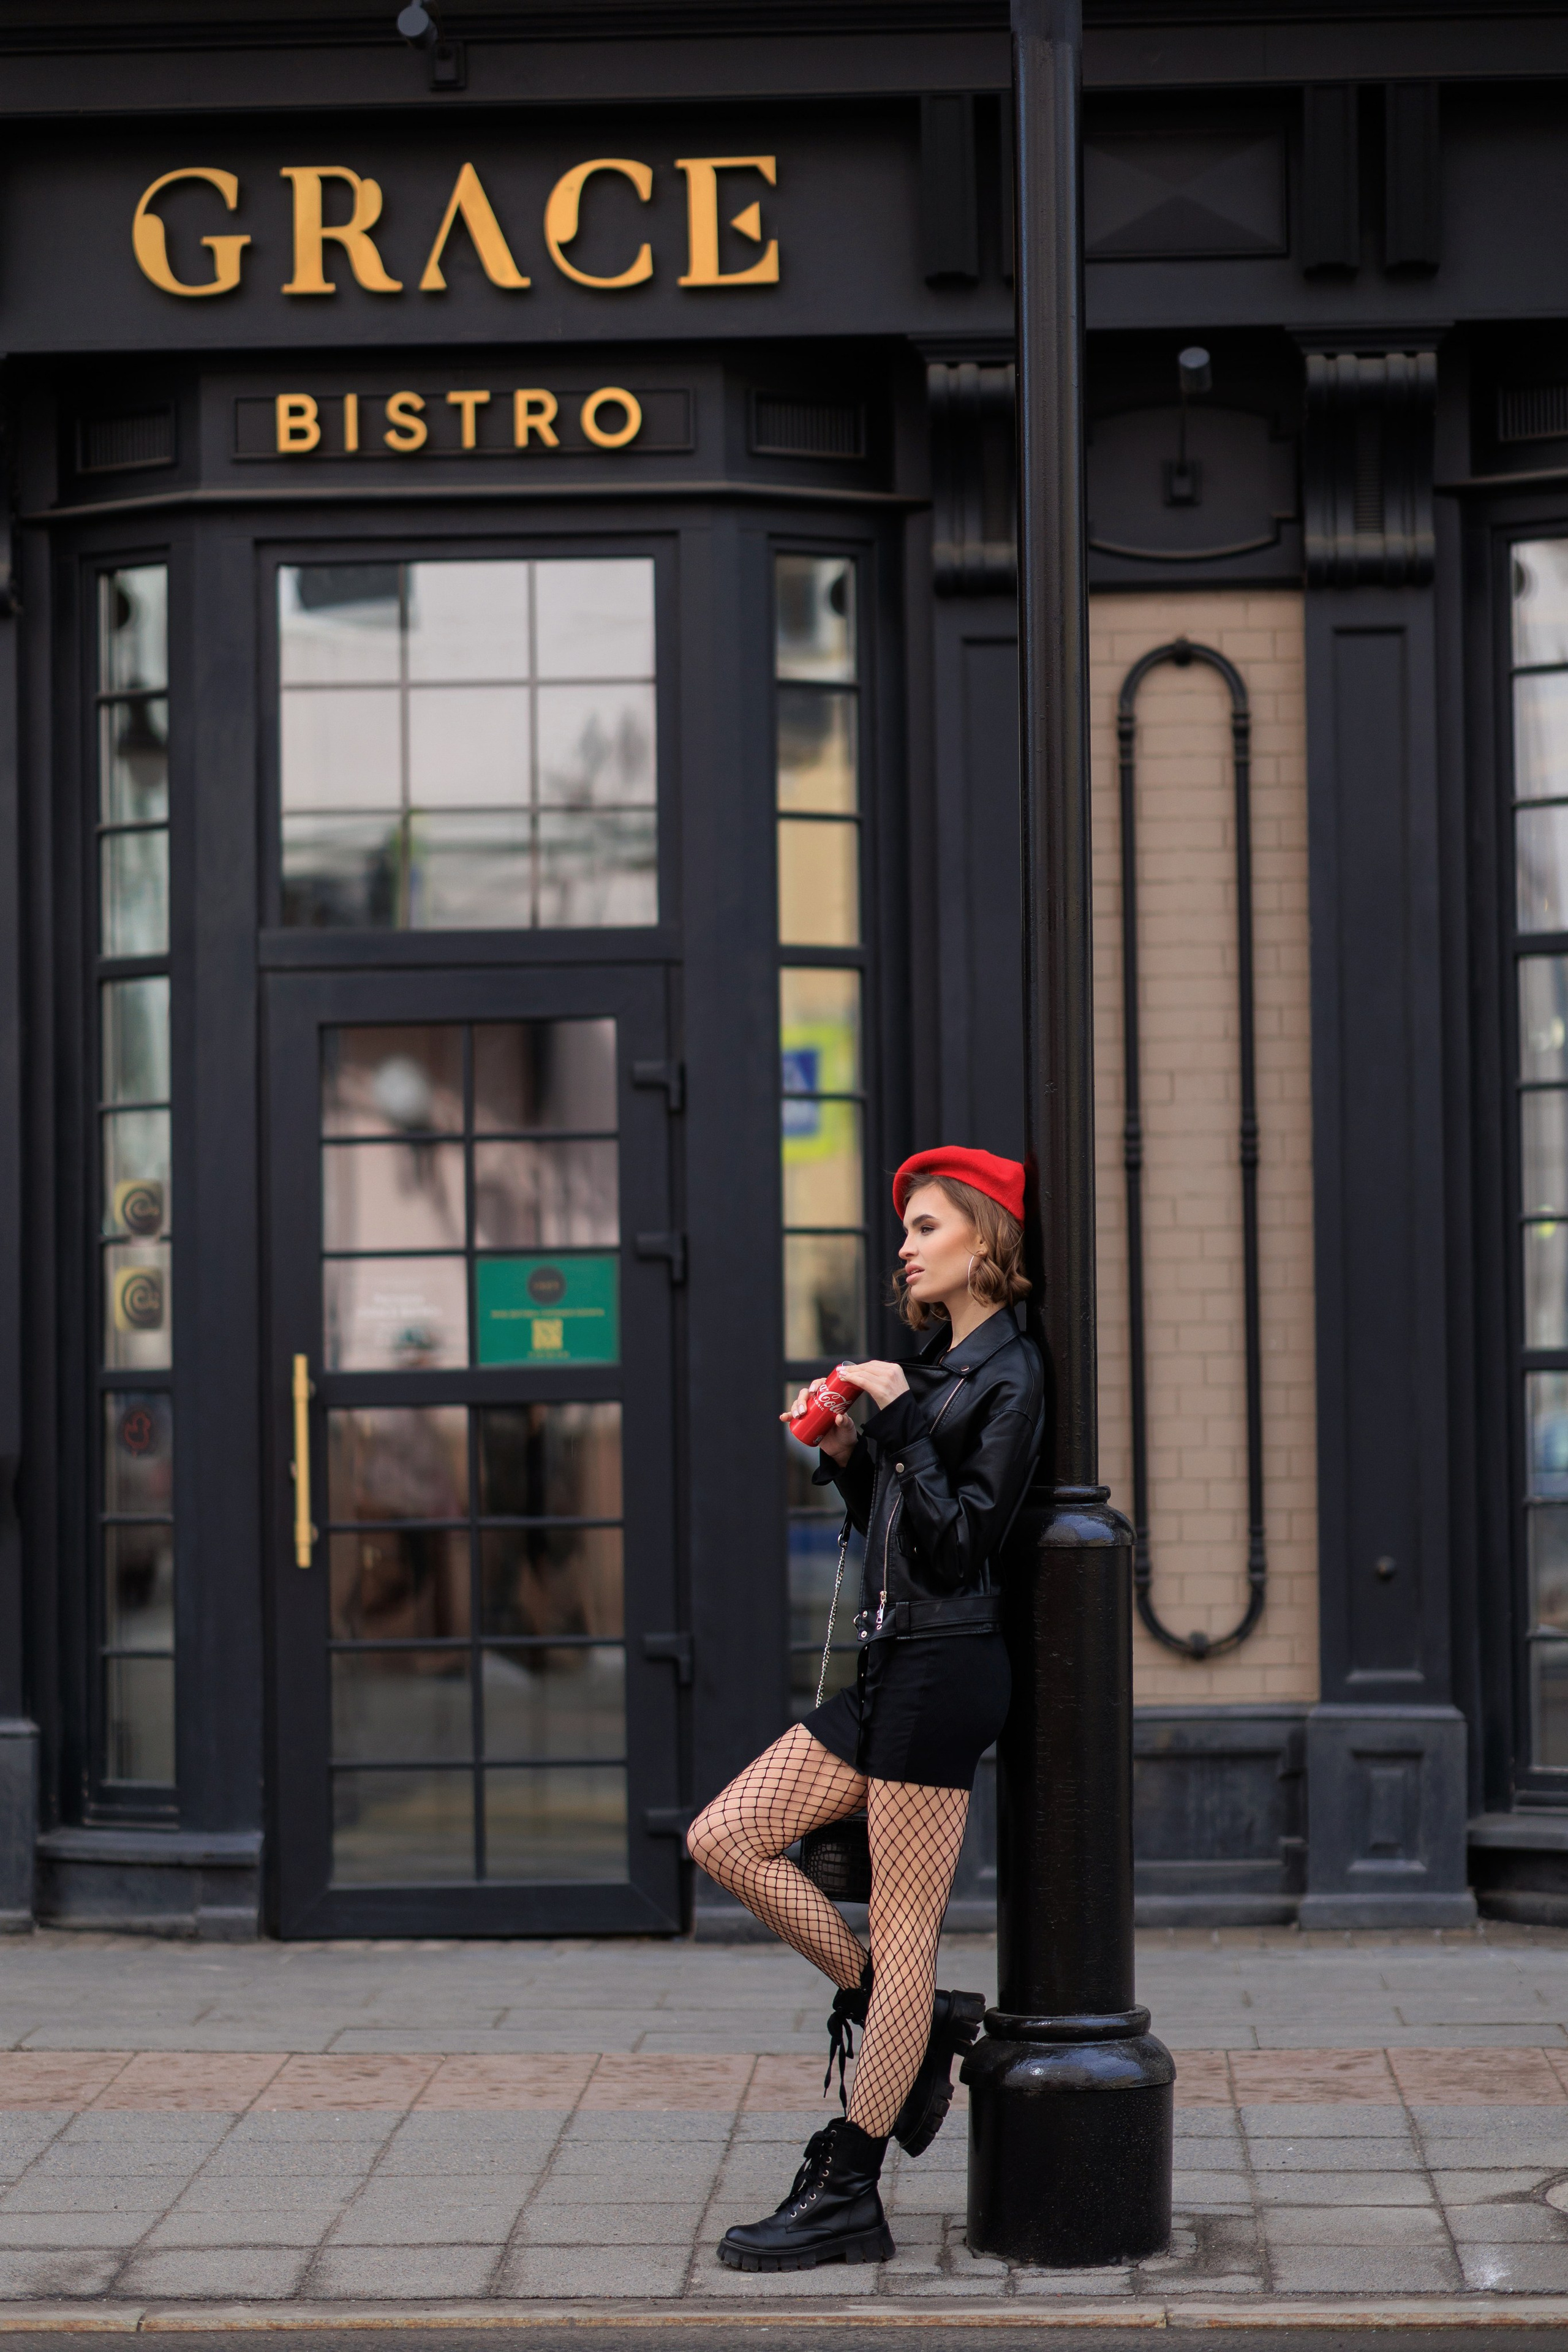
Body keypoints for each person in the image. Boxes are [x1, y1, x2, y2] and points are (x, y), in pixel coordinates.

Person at [687, 1146, 1044, 2273]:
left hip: (947, 1675)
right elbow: (896, 1520)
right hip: (889, 1667)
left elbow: (961, 1543)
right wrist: (851, 1450)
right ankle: (918, 2018)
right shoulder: (937, 1370)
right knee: (726, 1836)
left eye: (927, 1225)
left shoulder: (1009, 1377)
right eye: (907, 1230)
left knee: (901, 1927)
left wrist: (889, 1422)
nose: (906, 1244)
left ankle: (849, 2187)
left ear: (985, 1241)